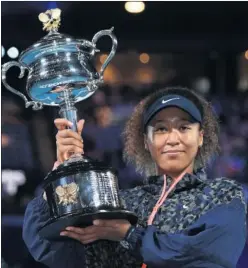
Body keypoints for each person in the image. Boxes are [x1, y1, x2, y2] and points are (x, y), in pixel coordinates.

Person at [23, 87, 247, 268]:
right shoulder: (122, 204)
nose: (173, 139)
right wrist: (62, 174)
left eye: (184, 127)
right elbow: (56, 252)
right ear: (146, 143)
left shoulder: (223, 195)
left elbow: (205, 254)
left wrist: (129, 234)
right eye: (160, 129)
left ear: (200, 137)